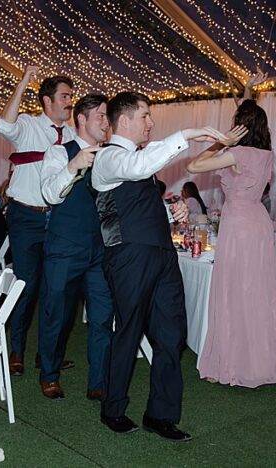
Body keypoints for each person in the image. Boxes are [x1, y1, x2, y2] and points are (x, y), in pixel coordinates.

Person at [91, 91, 220, 441]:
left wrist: (170, 211)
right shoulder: (108, 157)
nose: (151, 122)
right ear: (125, 120)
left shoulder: (138, 159)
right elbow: (136, 169)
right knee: (128, 331)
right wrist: (188, 134)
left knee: (171, 334)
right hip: (129, 255)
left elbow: (136, 201)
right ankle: (113, 408)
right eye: (145, 115)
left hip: (162, 254)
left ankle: (161, 415)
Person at [187, 99, 276, 387]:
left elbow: (194, 165)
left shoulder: (237, 153)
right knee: (255, 291)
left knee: (232, 291)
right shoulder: (267, 154)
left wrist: (222, 141)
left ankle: (231, 364)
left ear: (239, 127)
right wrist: (248, 91)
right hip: (258, 222)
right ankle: (258, 362)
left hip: (239, 225)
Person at [0, 65, 75, 376]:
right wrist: (24, 82)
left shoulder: (73, 135)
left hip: (59, 219)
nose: (70, 102)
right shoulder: (28, 125)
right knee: (26, 286)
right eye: (64, 96)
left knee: (55, 289)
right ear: (47, 101)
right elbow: (4, 125)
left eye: (71, 96)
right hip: (26, 216)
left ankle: (48, 354)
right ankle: (17, 349)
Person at [38, 93, 113, 400]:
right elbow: (49, 194)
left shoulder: (111, 156)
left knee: (102, 316)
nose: (106, 122)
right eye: (101, 116)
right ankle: (49, 374)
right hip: (64, 247)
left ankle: (99, 381)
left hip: (100, 249)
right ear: (81, 118)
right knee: (56, 313)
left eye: (108, 117)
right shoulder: (59, 152)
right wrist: (73, 166)